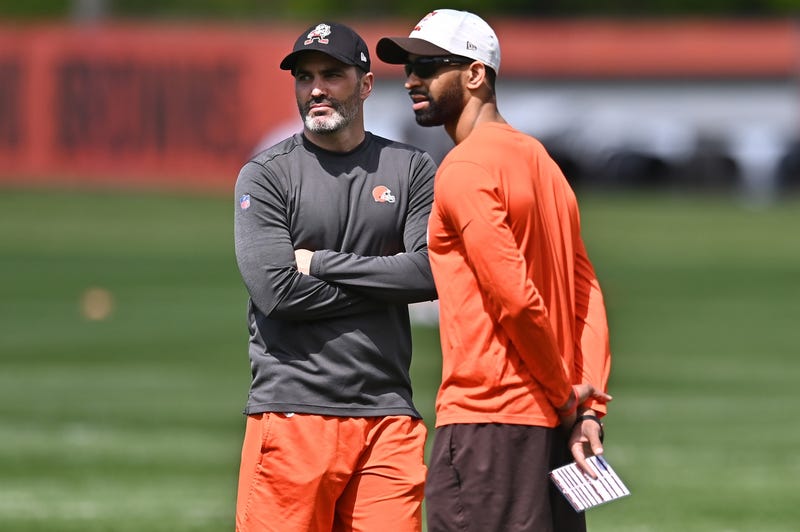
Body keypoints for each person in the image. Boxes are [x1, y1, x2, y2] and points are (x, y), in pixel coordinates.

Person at [377, 9, 613, 532]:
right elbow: (587, 293)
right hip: (553, 428)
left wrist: (562, 394)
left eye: (428, 65)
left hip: (489, 422)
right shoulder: (542, 162)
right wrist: (586, 405)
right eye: (407, 68)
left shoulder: (462, 168)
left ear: (475, 74)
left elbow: (515, 298)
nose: (412, 80)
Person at [233, 21, 438, 532]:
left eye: (332, 74)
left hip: (389, 416)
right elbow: (276, 292)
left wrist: (320, 262)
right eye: (305, 77)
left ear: (366, 84)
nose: (316, 89)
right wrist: (388, 283)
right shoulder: (266, 174)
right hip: (292, 411)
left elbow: (432, 273)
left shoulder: (411, 168)